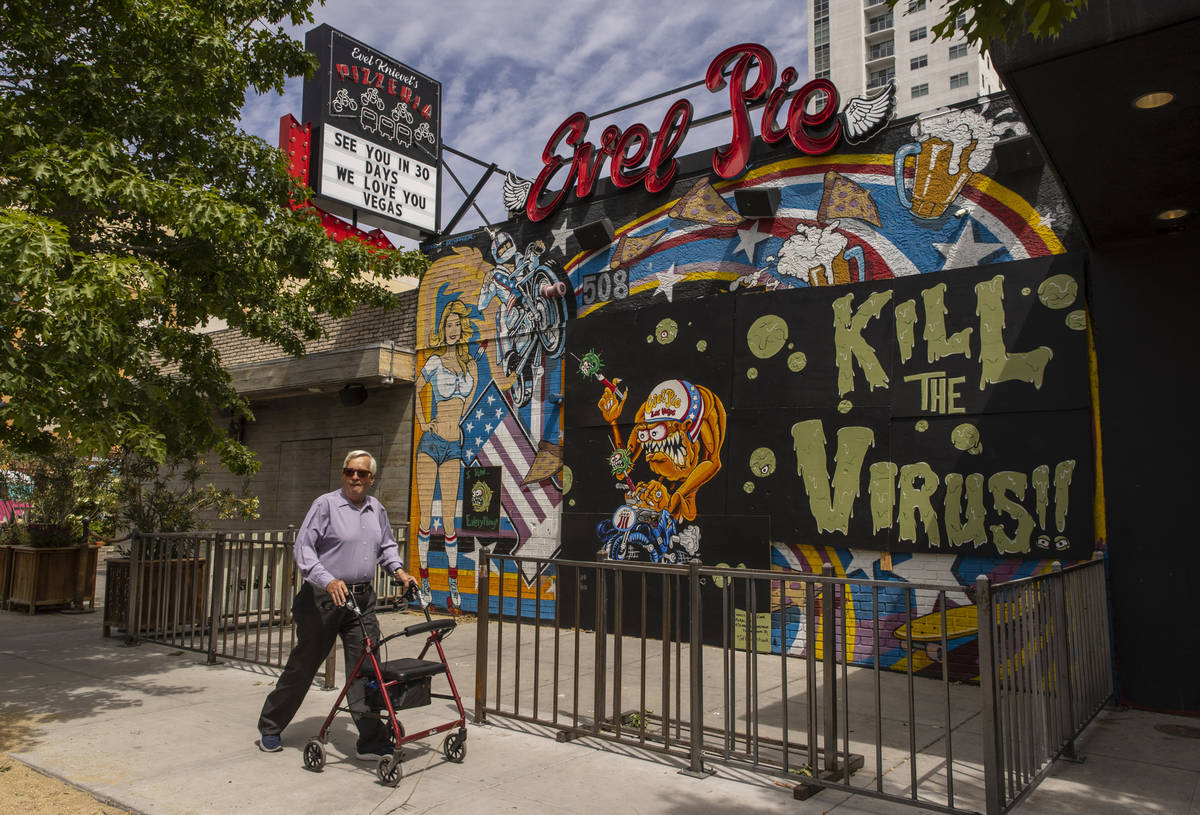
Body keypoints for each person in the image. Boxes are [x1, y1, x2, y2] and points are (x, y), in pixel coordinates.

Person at [256, 450, 417, 757]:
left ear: (371, 478)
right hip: (323, 599)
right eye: (349, 472)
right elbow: (304, 550)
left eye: (361, 473)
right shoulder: (326, 505)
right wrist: (327, 579)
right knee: (304, 665)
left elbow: (386, 547)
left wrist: (399, 571)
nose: (354, 478)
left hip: (362, 599)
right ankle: (271, 726)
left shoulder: (376, 509)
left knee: (367, 670)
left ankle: (371, 740)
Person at [413, 298, 478, 611]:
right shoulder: (435, 361)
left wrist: (461, 428)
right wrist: (424, 422)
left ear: (464, 328)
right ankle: (424, 581)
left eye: (456, 325)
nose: (452, 330)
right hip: (430, 443)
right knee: (426, 516)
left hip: (454, 446)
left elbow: (467, 406)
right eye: (448, 325)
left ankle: (453, 585)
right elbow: (417, 387)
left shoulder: (472, 367)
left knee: (449, 520)